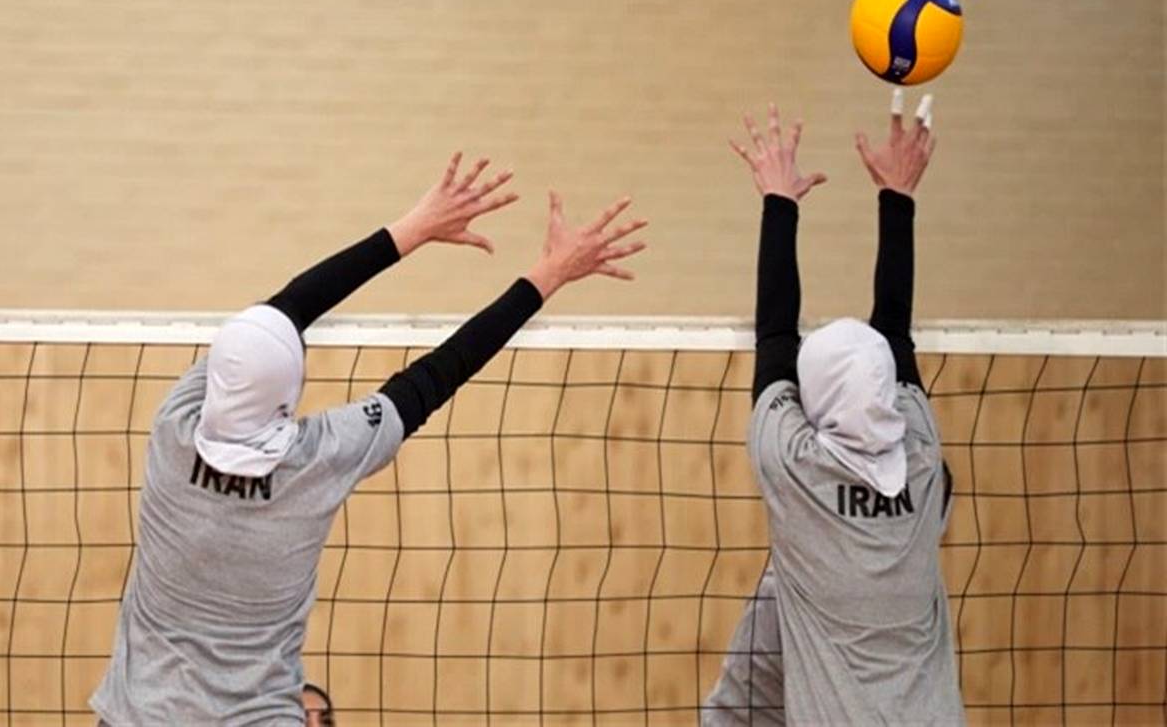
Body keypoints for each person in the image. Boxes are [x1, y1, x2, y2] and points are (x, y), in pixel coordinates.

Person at [89, 153, 647, 725]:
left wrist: (413, 229)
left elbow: (282, 311)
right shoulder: (318, 459)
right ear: (289, 389)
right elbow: (435, 376)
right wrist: (544, 272)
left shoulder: (175, 429)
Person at [703, 92, 963, 725]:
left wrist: (780, 199)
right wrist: (897, 195)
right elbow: (894, 335)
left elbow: (775, 336)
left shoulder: (797, 471)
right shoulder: (924, 461)